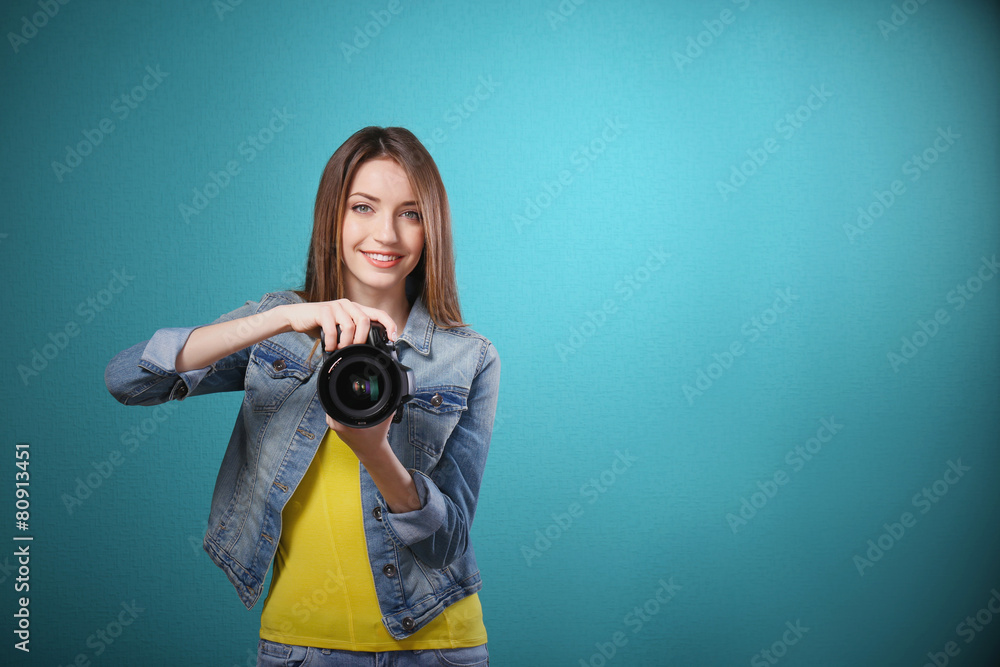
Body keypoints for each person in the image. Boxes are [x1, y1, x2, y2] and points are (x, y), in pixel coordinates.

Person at [104, 126, 500, 666]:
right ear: (332, 216)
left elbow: (444, 544)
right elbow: (130, 380)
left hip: (438, 648)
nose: (385, 233)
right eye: (363, 207)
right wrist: (283, 318)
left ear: (432, 228)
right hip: (301, 646)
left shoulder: (469, 356)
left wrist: (374, 452)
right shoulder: (279, 328)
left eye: (410, 213)